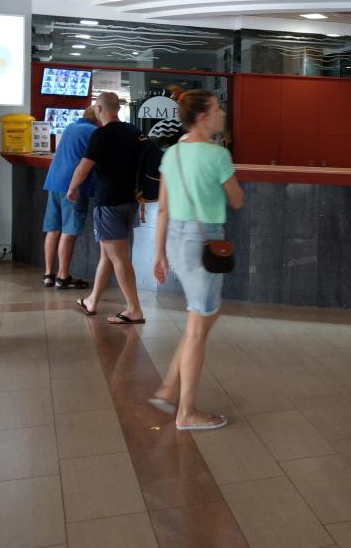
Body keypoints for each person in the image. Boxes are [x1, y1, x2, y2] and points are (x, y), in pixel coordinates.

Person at [149, 90, 244, 431]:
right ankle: (186, 412)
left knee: (204, 316)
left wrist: (159, 254)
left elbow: (162, 208)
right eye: (217, 108)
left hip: (177, 240)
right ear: (203, 117)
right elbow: (237, 200)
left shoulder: (172, 153)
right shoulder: (217, 155)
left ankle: (168, 386)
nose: (222, 114)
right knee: (197, 328)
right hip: (204, 241)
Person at [69, 91, 146, 325]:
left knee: (119, 257)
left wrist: (72, 188)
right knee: (108, 254)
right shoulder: (134, 131)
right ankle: (92, 300)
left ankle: (134, 309)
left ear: (100, 109)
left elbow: (83, 168)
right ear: (118, 108)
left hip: (108, 202)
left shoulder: (101, 135)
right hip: (130, 201)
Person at [41, 105, 99, 289]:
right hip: (73, 186)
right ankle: (63, 277)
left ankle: (48, 274)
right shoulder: (94, 132)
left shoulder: (70, 127)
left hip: (54, 182)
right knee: (69, 231)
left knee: (53, 229)